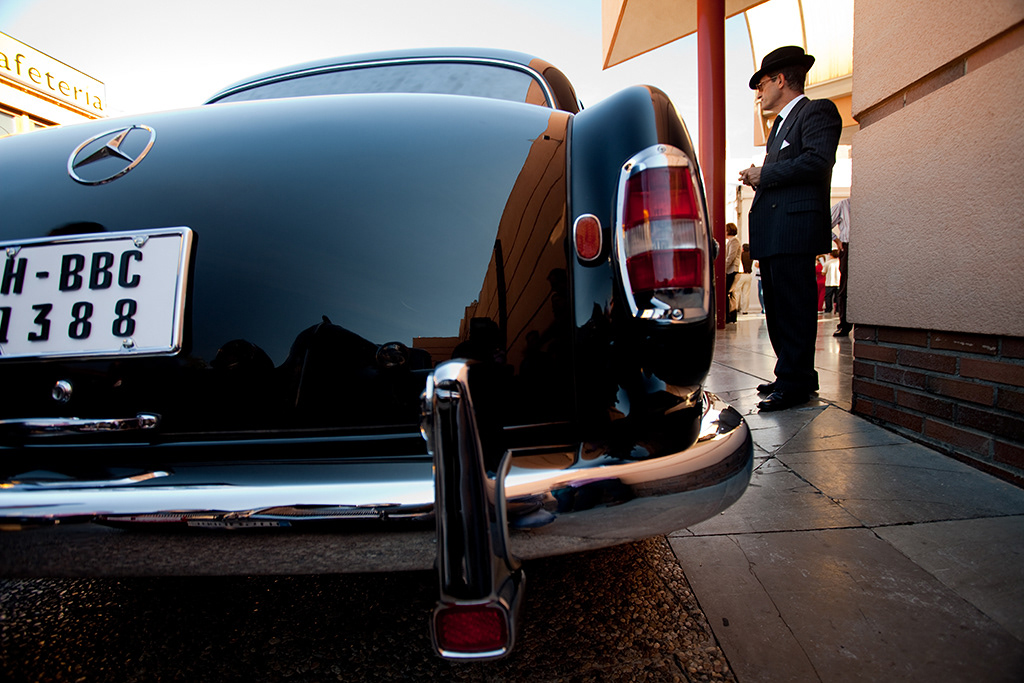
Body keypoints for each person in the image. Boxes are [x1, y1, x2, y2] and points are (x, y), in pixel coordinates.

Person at [738, 46, 842, 412]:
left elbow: (817, 161)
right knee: (779, 309)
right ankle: (793, 375)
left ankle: (794, 382)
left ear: (781, 80)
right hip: (774, 230)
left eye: (762, 84)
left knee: (794, 308)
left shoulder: (817, 111)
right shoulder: (778, 126)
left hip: (794, 230)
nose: (759, 93)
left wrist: (764, 173)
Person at [831, 197, 852, 336]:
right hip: (848, 247)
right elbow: (823, 223)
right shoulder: (844, 204)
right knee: (845, 286)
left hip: (867, 248)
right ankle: (844, 324)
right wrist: (837, 240)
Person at [724, 223, 742, 323]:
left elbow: (731, 256)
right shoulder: (730, 241)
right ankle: (730, 316)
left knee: (727, 292)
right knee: (730, 293)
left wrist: (724, 268)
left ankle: (728, 316)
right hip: (730, 270)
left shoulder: (734, 241)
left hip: (732, 270)